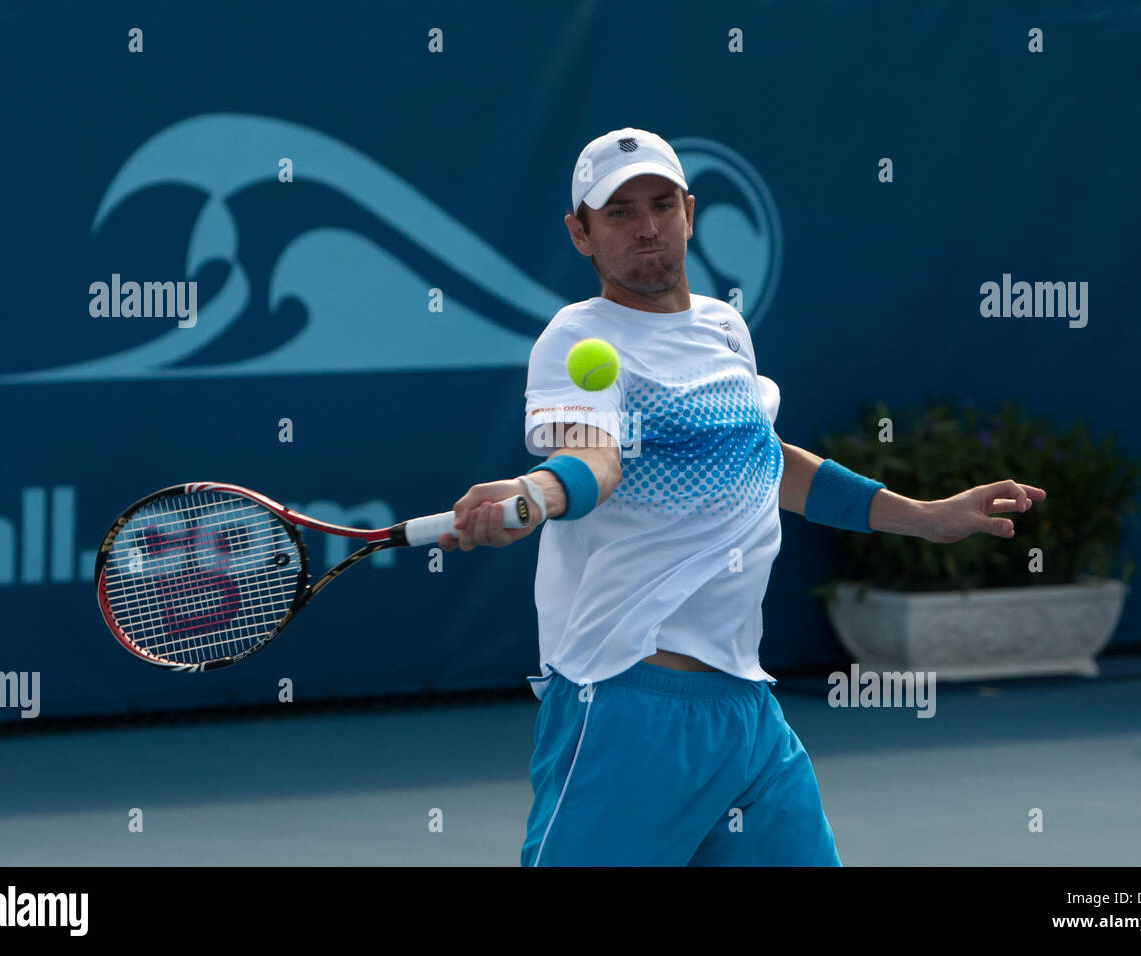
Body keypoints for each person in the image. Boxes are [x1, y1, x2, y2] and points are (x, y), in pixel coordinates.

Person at [438, 127, 1046, 866]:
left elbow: (765, 462)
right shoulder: (578, 338)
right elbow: (595, 460)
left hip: (746, 711)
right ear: (580, 233)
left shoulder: (724, 328)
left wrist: (924, 517)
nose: (647, 227)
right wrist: (533, 498)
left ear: (689, 212)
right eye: (619, 213)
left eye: (661, 204)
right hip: (628, 705)